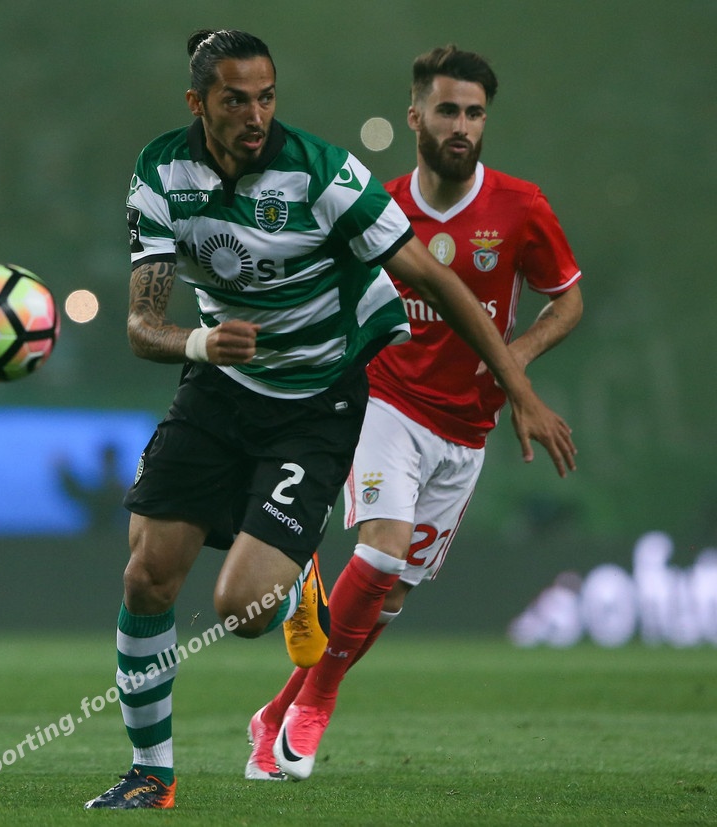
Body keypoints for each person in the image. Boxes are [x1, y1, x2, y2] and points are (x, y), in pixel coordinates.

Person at [85, 31, 576, 809]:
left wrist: (519, 385)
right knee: (146, 575)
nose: (255, 115)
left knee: (241, 610)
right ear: (197, 103)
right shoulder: (160, 171)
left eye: (266, 97)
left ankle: (294, 582)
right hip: (220, 385)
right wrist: (203, 342)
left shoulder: (323, 173)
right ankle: (152, 775)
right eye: (235, 100)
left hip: (318, 399)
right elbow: (142, 327)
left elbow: (435, 279)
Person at [250, 44, 584, 782]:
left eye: (475, 114)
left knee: (390, 593)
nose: (462, 126)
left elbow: (568, 299)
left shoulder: (521, 208)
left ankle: (275, 712)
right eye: (448, 110)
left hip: (467, 430)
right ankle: (318, 704)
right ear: (415, 117)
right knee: (382, 550)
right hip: (386, 400)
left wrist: (516, 358)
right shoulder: (380, 207)